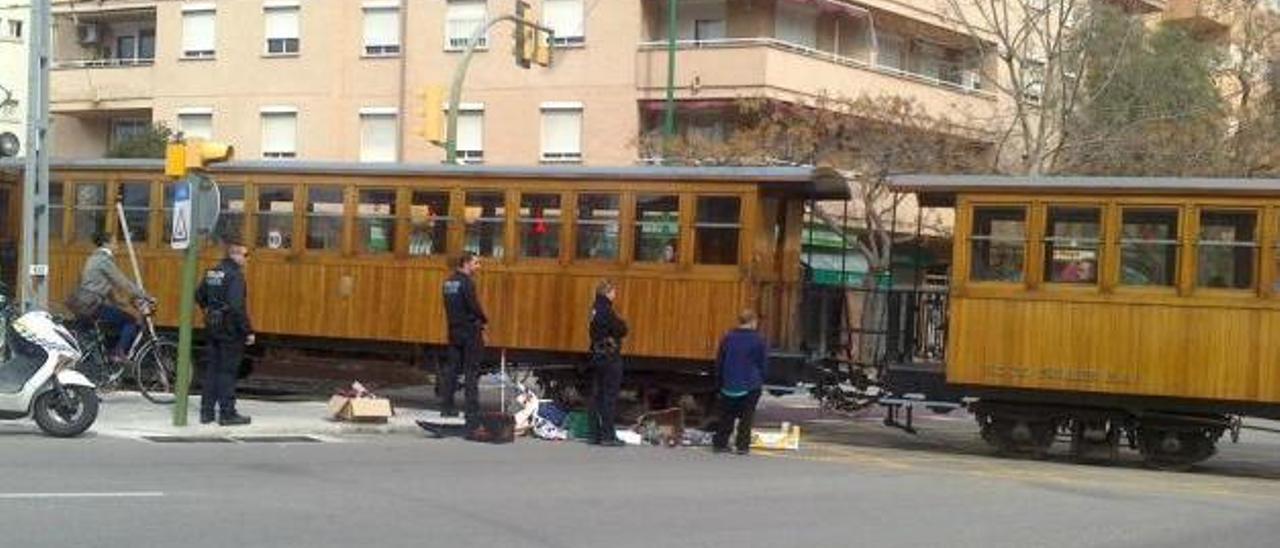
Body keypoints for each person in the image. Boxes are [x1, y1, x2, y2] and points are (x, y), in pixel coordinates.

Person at [195, 240, 255, 426]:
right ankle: (227, 413)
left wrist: (211, 310)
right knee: (227, 372)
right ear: (234, 255)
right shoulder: (235, 276)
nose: (246, 259)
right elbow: (237, 307)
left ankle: (206, 412)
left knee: (212, 369)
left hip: (212, 327)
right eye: (245, 255)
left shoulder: (212, 272)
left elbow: (199, 295)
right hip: (230, 330)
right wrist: (248, 331)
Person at [75, 232, 151, 363]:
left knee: (117, 319)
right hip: (93, 304)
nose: (117, 246)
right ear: (106, 244)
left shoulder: (94, 258)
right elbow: (122, 282)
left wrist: (119, 302)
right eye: (115, 242)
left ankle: (111, 354)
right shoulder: (103, 260)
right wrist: (146, 296)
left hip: (84, 303)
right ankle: (118, 353)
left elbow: (104, 285)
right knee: (131, 320)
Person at [441, 252, 488, 430]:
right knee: (471, 370)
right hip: (470, 331)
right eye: (476, 263)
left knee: (452, 370)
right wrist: (483, 320)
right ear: (466, 263)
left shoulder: (448, 282)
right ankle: (471, 410)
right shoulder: (467, 283)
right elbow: (473, 306)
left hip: (454, 330)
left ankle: (446, 407)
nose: (478, 267)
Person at [712, 309, 768, 455]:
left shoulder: (728, 337)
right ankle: (742, 446)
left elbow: (719, 362)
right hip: (750, 383)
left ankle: (720, 443)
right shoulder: (758, 339)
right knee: (746, 417)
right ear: (753, 322)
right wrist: (762, 378)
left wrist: (720, 381)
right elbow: (762, 363)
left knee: (726, 415)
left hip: (729, 383)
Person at [587, 279, 628, 447]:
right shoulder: (607, 311)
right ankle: (608, 435)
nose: (615, 294)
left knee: (597, 395)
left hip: (597, 355)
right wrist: (622, 325)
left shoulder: (595, 309)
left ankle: (595, 434)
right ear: (607, 292)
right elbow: (621, 329)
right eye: (613, 292)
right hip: (610, 357)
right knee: (609, 397)